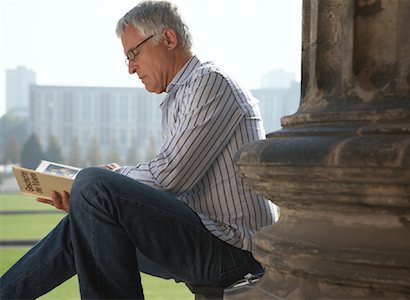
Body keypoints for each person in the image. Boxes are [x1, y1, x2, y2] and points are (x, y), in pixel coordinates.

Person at [0, 1, 278, 298]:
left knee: (94, 184)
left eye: (134, 53)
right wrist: (85, 203)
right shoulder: (180, 96)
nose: (131, 67)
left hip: (234, 249)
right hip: (209, 238)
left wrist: (106, 181)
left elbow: (170, 177)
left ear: (169, 39)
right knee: (84, 218)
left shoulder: (210, 82)